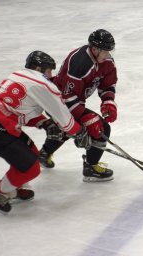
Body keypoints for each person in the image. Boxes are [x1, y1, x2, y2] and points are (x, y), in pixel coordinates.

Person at [0, 51, 91, 214]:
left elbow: (18, 109)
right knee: (31, 168)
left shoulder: (17, 75)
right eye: (49, 71)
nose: (51, 75)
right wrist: (80, 133)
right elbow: (64, 119)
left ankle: (14, 187)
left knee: (31, 154)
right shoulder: (43, 85)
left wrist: (44, 122)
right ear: (39, 68)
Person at [39, 29, 118, 182]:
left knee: (69, 129)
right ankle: (91, 167)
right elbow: (68, 97)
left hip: (69, 100)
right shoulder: (79, 62)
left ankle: (44, 153)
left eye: (110, 51)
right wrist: (85, 116)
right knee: (100, 128)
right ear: (94, 49)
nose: (108, 55)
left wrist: (108, 101)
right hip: (57, 100)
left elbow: (108, 83)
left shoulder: (106, 61)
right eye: (105, 51)